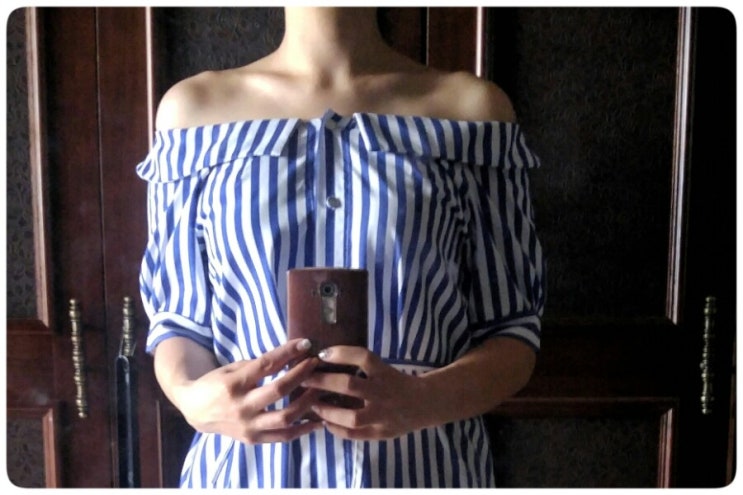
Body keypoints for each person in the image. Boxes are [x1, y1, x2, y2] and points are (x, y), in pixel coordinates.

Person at [136, 6, 545, 488]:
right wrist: (192, 398)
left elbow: (512, 330)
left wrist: (424, 401)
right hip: (245, 474)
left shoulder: (470, 111)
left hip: (421, 471)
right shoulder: (193, 114)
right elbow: (178, 322)